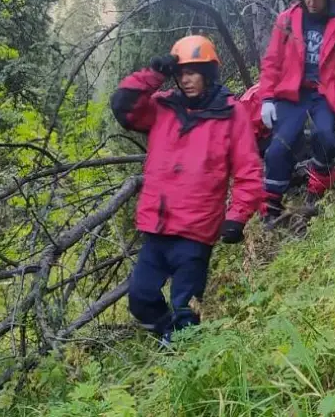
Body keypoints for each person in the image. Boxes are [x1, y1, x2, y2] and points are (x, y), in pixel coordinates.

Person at [111, 34, 262, 344]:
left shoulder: (232, 113)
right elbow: (124, 106)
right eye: (181, 73)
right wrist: (153, 74)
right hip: (157, 226)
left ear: (208, 73)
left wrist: (238, 216)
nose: (186, 79)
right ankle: (168, 336)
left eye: (193, 72)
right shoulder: (162, 106)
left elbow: (248, 170)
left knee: (186, 311)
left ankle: (183, 364)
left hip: (195, 232)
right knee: (140, 299)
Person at [259, 0, 335, 227]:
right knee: (278, 148)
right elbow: (272, 62)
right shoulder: (286, 20)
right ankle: (271, 205)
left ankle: (317, 186)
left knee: (326, 137)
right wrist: (267, 98)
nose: (311, 2)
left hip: (325, 93)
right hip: (292, 93)